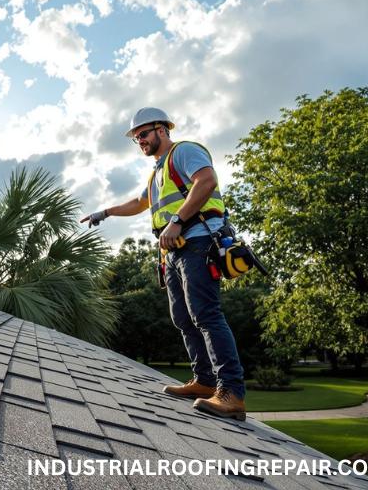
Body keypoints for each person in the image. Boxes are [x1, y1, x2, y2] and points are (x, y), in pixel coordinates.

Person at [82, 107, 247, 420]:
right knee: (183, 318)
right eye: (136, 138)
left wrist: (177, 221)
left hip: (198, 241)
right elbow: (139, 203)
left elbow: (206, 181)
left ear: (162, 129)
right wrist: (106, 212)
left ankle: (232, 392)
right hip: (173, 252)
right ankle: (204, 380)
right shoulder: (157, 172)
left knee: (206, 314)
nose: (140, 141)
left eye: (143, 134)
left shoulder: (184, 151)